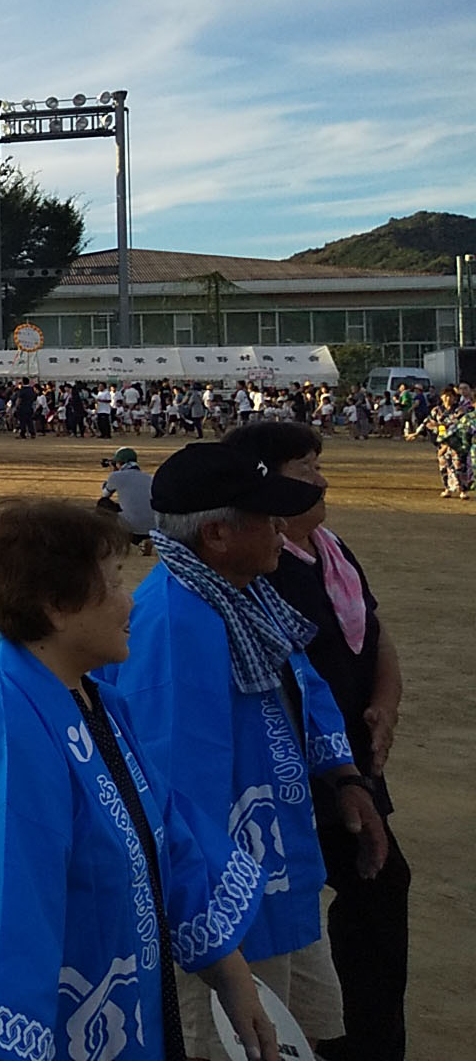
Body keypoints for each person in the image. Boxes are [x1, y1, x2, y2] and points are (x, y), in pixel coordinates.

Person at [0, 498, 280, 1061]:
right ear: (56, 606)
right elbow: (2, 941)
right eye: (115, 582)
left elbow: (166, 834)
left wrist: (229, 971)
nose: (130, 602)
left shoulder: (91, 699)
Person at [107, 444, 388, 1057]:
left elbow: (305, 690)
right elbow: (177, 790)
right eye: (267, 518)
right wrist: (214, 938)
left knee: (299, 1035)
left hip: (278, 873)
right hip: (223, 907)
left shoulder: (245, 596)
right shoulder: (176, 622)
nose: (282, 530)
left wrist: (344, 777)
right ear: (218, 533)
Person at [223, 422, 410, 1059]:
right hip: (290, 778)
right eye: (306, 469)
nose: (323, 480)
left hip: (351, 766)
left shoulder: (331, 549)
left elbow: (375, 633)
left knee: (380, 893)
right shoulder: (261, 568)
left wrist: (384, 701)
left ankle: (368, 1038)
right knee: (304, 913)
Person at [100, 445, 157, 554]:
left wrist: (113, 473)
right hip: (152, 526)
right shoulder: (149, 477)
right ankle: (144, 542)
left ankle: (111, 543)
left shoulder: (116, 476)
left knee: (103, 504)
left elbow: (105, 494)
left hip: (131, 527)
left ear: (119, 462)